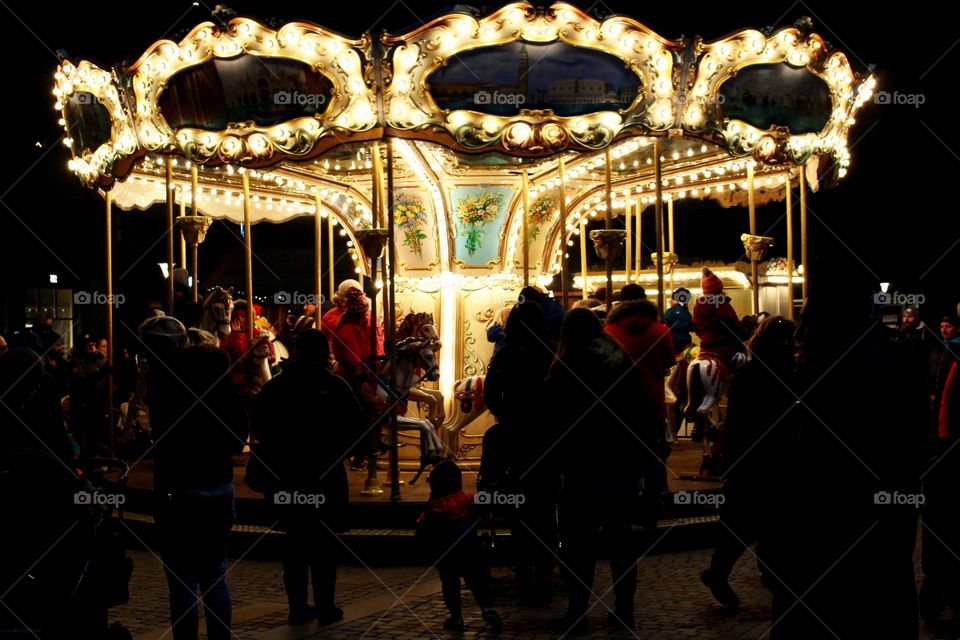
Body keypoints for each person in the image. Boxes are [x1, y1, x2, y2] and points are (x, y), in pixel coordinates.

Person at [545, 308, 660, 633]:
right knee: (621, 542)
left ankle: (578, 610)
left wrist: (560, 461)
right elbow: (641, 413)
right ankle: (625, 611)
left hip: (584, 467)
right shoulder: (622, 362)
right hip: (621, 465)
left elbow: (558, 420)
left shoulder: (569, 366)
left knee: (578, 544)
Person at [141, 315, 247, 640]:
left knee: (182, 578)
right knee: (215, 574)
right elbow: (237, 434)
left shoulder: (162, 381)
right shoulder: (218, 376)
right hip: (217, 485)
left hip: (178, 488)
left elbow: (161, 436)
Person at [252, 330, 365, 626]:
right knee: (324, 545)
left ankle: (297, 607)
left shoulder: (277, 387)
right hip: (324, 474)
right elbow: (356, 429)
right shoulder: (335, 386)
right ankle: (325, 604)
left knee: (295, 544)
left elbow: (259, 427)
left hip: (288, 474)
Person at [701, 316, 800, 609]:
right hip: (776, 458)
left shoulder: (749, 373)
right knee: (771, 523)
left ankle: (725, 571)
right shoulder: (792, 374)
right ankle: (772, 579)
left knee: (743, 522)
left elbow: (736, 422)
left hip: (750, 459)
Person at [484, 301, 557, 605]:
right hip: (546, 440)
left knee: (520, 513)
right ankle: (544, 577)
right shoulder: (552, 352)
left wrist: (506, 416)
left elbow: (490, 393)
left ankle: (525, 579)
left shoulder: (506, 354)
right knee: (545, 512)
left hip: (515, 439)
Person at [604, 299, 674, 524]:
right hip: (651, 402)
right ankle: (650, 508)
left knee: (620, 457)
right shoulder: (661, 331)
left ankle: (623, 509)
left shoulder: (610, 331)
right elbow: (668, 362)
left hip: (618, 403)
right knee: (652, 456)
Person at [417, 460, 502, 632]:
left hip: (445, 554)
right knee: (477, 581)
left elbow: (422, 529)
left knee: (450, 585)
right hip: (470, 550)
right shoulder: (466, 500)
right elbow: (486, 503)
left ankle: (456, 617)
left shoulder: (430, 509)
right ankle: (486, 608)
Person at [692, 268, 747, 369]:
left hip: (704, 349)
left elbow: (697, 330)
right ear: (719, 290)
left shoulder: (697, 307)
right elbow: (735, 329)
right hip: (725, 351)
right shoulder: (723, 306)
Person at [664, 288, 695, 355]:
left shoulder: (670, 312)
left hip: (673, 340)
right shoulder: (688, 313)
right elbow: (692, 328)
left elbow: (665, 326)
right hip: (687, 340)